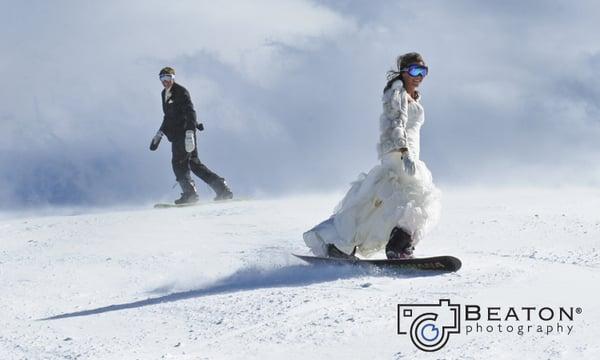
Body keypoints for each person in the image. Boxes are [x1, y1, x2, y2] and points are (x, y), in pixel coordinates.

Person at [303, 52, 441, 259]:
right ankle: (399, 246)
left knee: (376, 204)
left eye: (423, 71)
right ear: (403, 71)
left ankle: (339, 246)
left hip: (404, 155)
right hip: (401, 154)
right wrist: (404, 152)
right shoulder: (397, 93)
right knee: (419, 198)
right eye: (414, 70)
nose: (419, 76)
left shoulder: (412, 96)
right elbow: (395, 123)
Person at [150, 67, 233, 204]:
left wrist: (189, 133)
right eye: (162, 78)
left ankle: (190, 194)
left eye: (168, 78)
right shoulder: (164, 93)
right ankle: (221, 188)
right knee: (194, 164)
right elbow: (168, 117)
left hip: (183, 133)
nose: (165, 81)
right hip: (176, 134)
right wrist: (160, 133)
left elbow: (190, 112)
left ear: (173, 78)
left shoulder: (181, 91)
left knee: (178, 163)